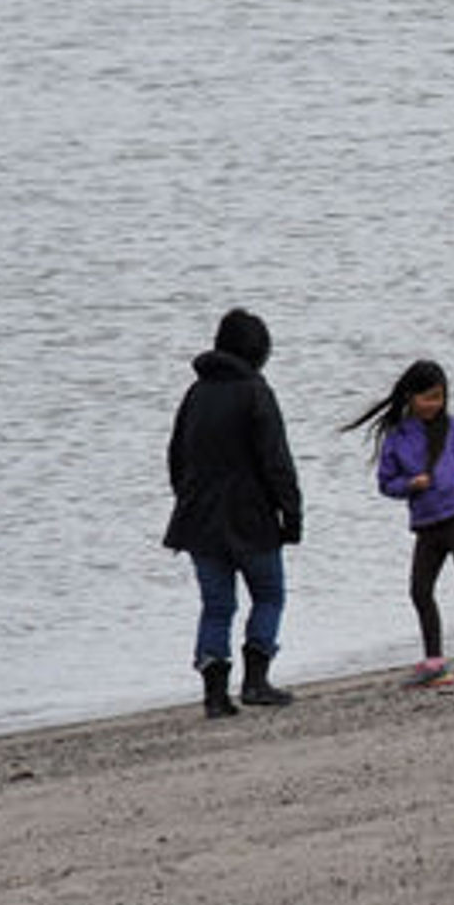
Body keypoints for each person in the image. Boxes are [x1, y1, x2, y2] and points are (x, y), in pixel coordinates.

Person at [343, 358, 454, 688]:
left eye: (439, 397)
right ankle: (436, 663)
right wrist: (410, 485)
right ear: (410, 397)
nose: (433, 404)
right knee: (420, 590)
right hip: (427, 524)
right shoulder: (397, 438)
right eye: (427, 397)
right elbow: (386, 483)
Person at [161, 307, 303, 719]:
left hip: (199, 522)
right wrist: (291, 516)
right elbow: (276, 461)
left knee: (217, 605)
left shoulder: (195, 393)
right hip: (252, 520)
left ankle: (215, 695)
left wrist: (187, 499)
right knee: (269, 595)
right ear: (259, 352)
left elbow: (175, 457)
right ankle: (256, 682)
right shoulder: (256, 391)